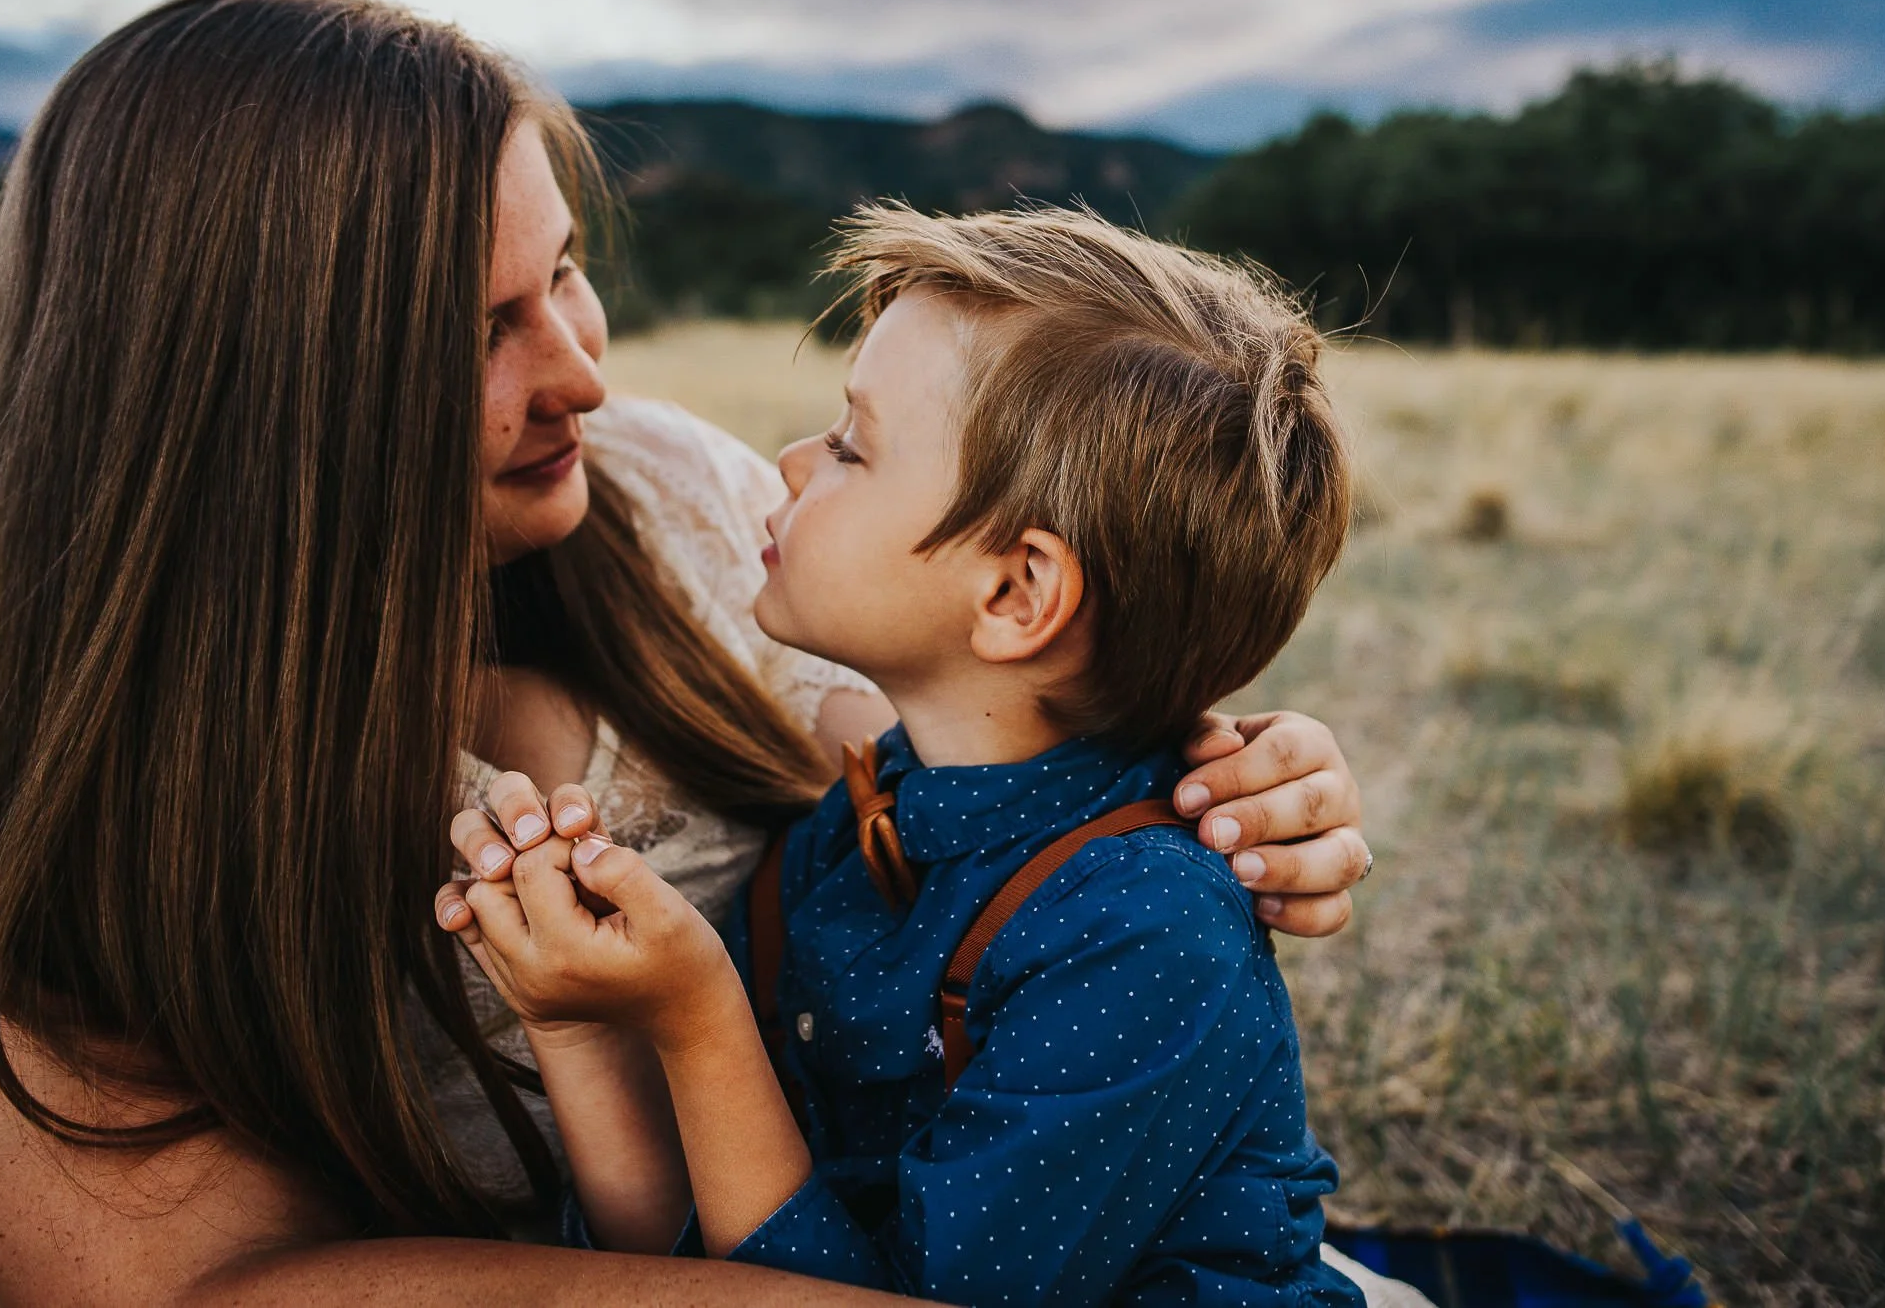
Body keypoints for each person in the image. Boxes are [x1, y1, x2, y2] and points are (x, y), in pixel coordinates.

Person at [0, 0, 1376, 1305]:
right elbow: (160, 1282)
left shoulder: (657, 492)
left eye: (569, 269)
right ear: (250, 392)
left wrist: (1223, 769)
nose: (586, 368)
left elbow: (1005, 736)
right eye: (480, 326)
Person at [445, 205, 1363, 1303]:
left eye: (848, 446)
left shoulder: (1141, 937)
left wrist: (699, 1021)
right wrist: (581, 1025)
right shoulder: (868, 818)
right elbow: (675, 1258)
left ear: (1016, 593)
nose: (784, 464)